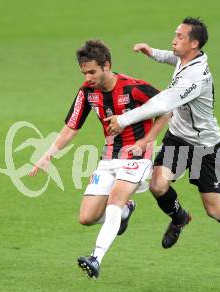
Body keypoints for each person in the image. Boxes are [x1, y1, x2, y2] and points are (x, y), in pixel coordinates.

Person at [106, 17, 220, 282]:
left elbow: (163, 102)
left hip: (206, 147)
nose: (174, 39)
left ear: (194, 43)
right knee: (157, 185)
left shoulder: (196, 77)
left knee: (215, 209)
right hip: (178, 138)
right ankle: (180, 217)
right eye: (175, 35)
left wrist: (124, 119)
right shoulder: (187, 60)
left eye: (180, 37)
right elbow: (174, 60)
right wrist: (154, 53)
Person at [29, 40, 170, 279]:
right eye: (84, 72)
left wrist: (146, 141)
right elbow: (71, 128)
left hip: (136, 156)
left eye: (92, 72)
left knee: (114, 199)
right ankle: (125, 212)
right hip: (109, 157)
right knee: (87, 218)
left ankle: (96, 257)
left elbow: (167, 110)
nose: (88, 77)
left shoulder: (134, 88)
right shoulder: (86, 92)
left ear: (107, 66)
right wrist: (47, 156)